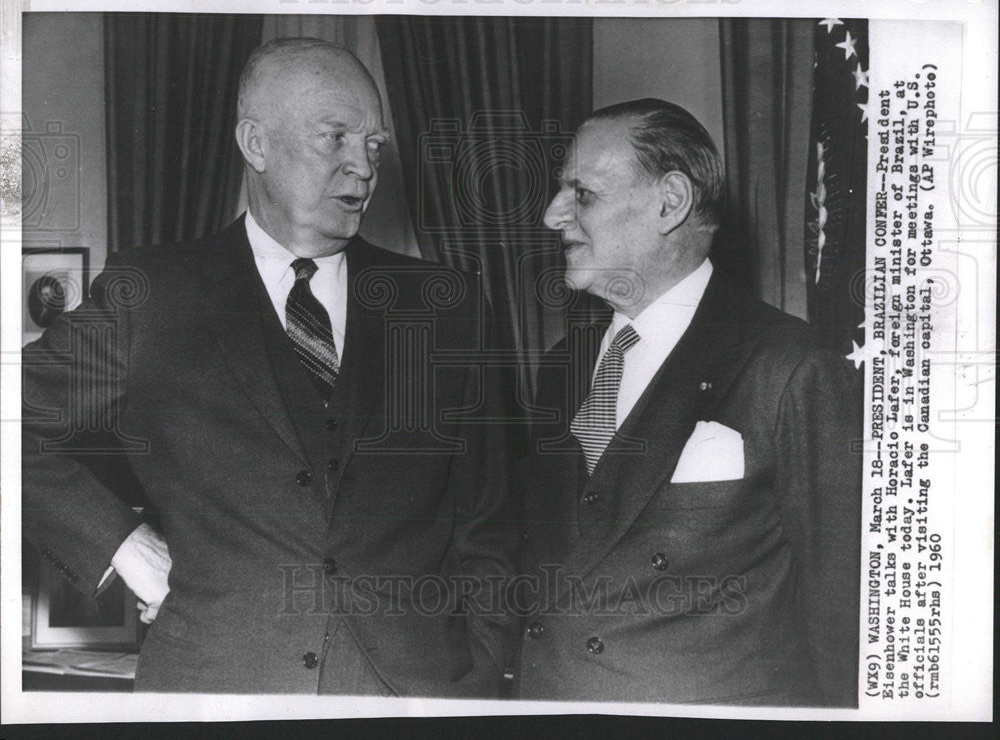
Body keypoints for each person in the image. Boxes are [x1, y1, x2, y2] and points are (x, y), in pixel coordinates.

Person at [22, 38, 515, 695]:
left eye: (373, 146)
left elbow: (492, 520)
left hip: (413, 697)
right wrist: (124, 546)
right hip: (213, 692)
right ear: (256, 143)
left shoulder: (447, 307)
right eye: (335, 137)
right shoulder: (153, 294)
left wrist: (476, 676)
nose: (362, 168)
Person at [517, 98, 861, 706]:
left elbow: (844, 618)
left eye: (582, 194)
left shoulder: (791, 367)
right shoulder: (561, 367)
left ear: (670, 202)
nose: (552, 216)